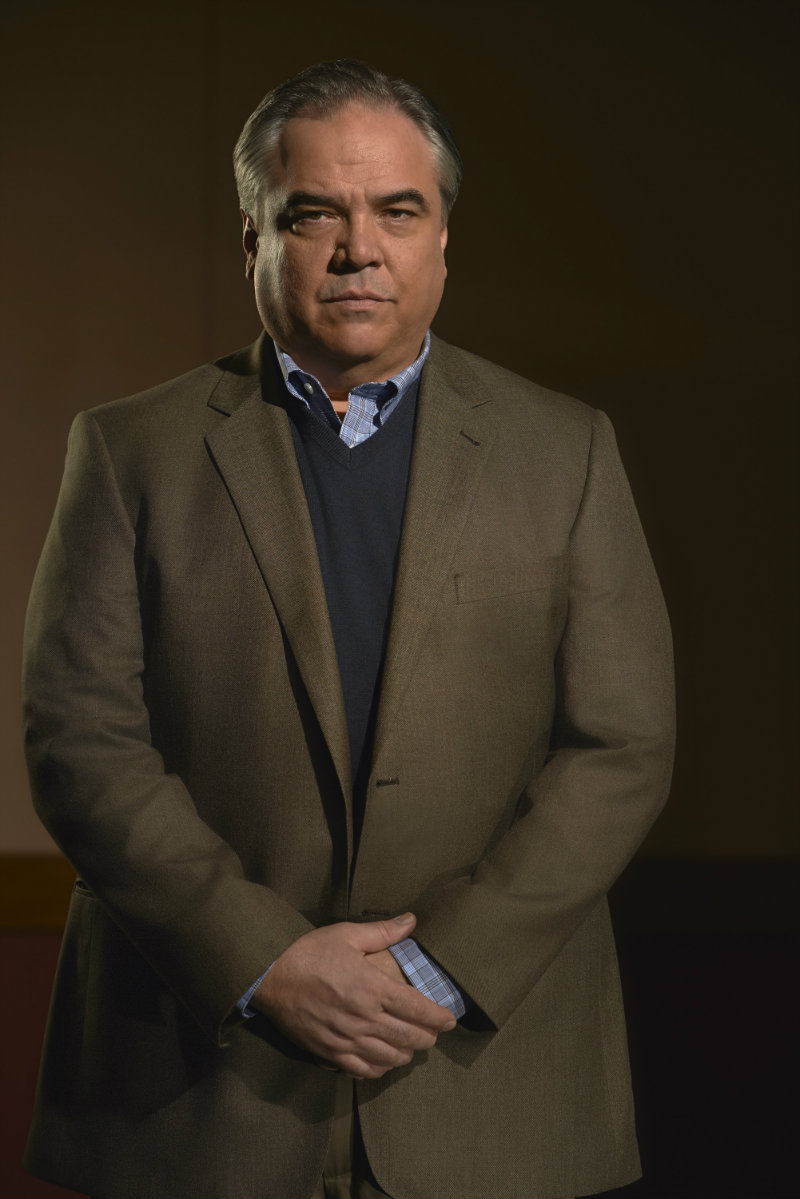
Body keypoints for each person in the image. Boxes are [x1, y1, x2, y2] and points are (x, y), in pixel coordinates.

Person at [22, 60, 675, 1199]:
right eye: (313, 213)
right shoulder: (128, 453)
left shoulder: (566, 450)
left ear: (442, 240)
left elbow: (621, 744)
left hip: (489, 1083)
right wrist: (261, 960)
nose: (357, 248)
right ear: (253, 238)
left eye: (397, 211)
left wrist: (440, 964)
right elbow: (80, 738)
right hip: (199, 1094)